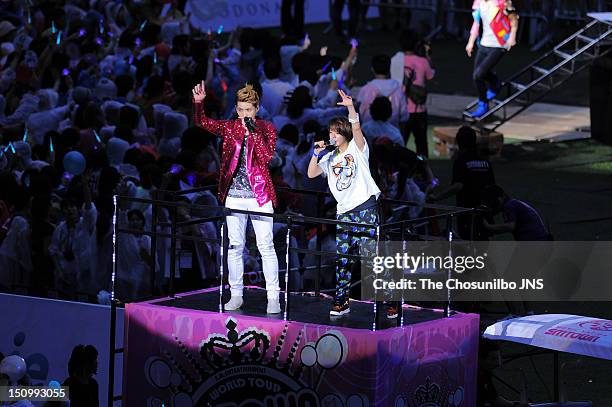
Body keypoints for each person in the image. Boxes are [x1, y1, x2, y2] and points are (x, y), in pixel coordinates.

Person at [192, 82, 281, 314]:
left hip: (259, 196)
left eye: (248, 110)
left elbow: (266, 157)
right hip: (234, 195)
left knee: (266, 246)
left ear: (257, 108)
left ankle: (273, 296)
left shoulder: (266, 128)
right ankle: (236, 294)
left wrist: (253, 131)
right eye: (240, 110)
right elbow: (203, 123)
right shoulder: (230, 127)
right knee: (234, 246)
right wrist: (199, 104)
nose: (243, 115)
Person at [308, 89, 397, 318]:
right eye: (330, 132)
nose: (332, 135)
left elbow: (357, 128)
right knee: (343, 259)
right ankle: (342, 300)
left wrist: (350, 107)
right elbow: (311, 174)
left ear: (344, 133)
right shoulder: (329, 158)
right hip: (344, 213)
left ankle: (390, 298)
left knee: (372, 258)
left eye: (336, 132)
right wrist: (316, 153)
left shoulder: (358, 150)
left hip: (365, 209)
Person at [427, 126, 495, 240]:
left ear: (459, 143)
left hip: (467, 212)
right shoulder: (485, 162)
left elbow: (458, 186)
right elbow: (492, 186)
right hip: (484, 211)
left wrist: (437, 197)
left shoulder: (461, 161)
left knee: (468, 243)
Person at [466, 0, 519, 118]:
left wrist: (512, 36)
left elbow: (513, 18)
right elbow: (476, 24)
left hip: (499, 44)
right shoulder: (479, 3)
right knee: (477, 75)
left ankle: (483, 104)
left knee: (479, 74)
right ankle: (494, 84)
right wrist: (470, 42)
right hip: (484, 44)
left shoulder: (501, 2)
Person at [391, 30, 435, 156]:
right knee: (421, 144)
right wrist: (427, 55)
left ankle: (398, 171)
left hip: (402, 110)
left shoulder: (395, 60)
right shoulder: (423, 61)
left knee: (400, 142)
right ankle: (423, 171)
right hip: (419, 109)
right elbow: (431, 75)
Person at [482, 185, 551, 240]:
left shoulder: (509, 206)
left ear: (499, 199)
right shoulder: (513, 203)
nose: (491, 207)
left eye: (491, 203)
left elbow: (510, 226)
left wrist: (489, 227)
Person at [357, 54, 408, 129]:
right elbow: (404, 116)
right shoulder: (398, 89)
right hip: (392, 132)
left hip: (369, 132)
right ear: (389, 68)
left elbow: (360, 112)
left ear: (372, 69)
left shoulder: (366, 89)